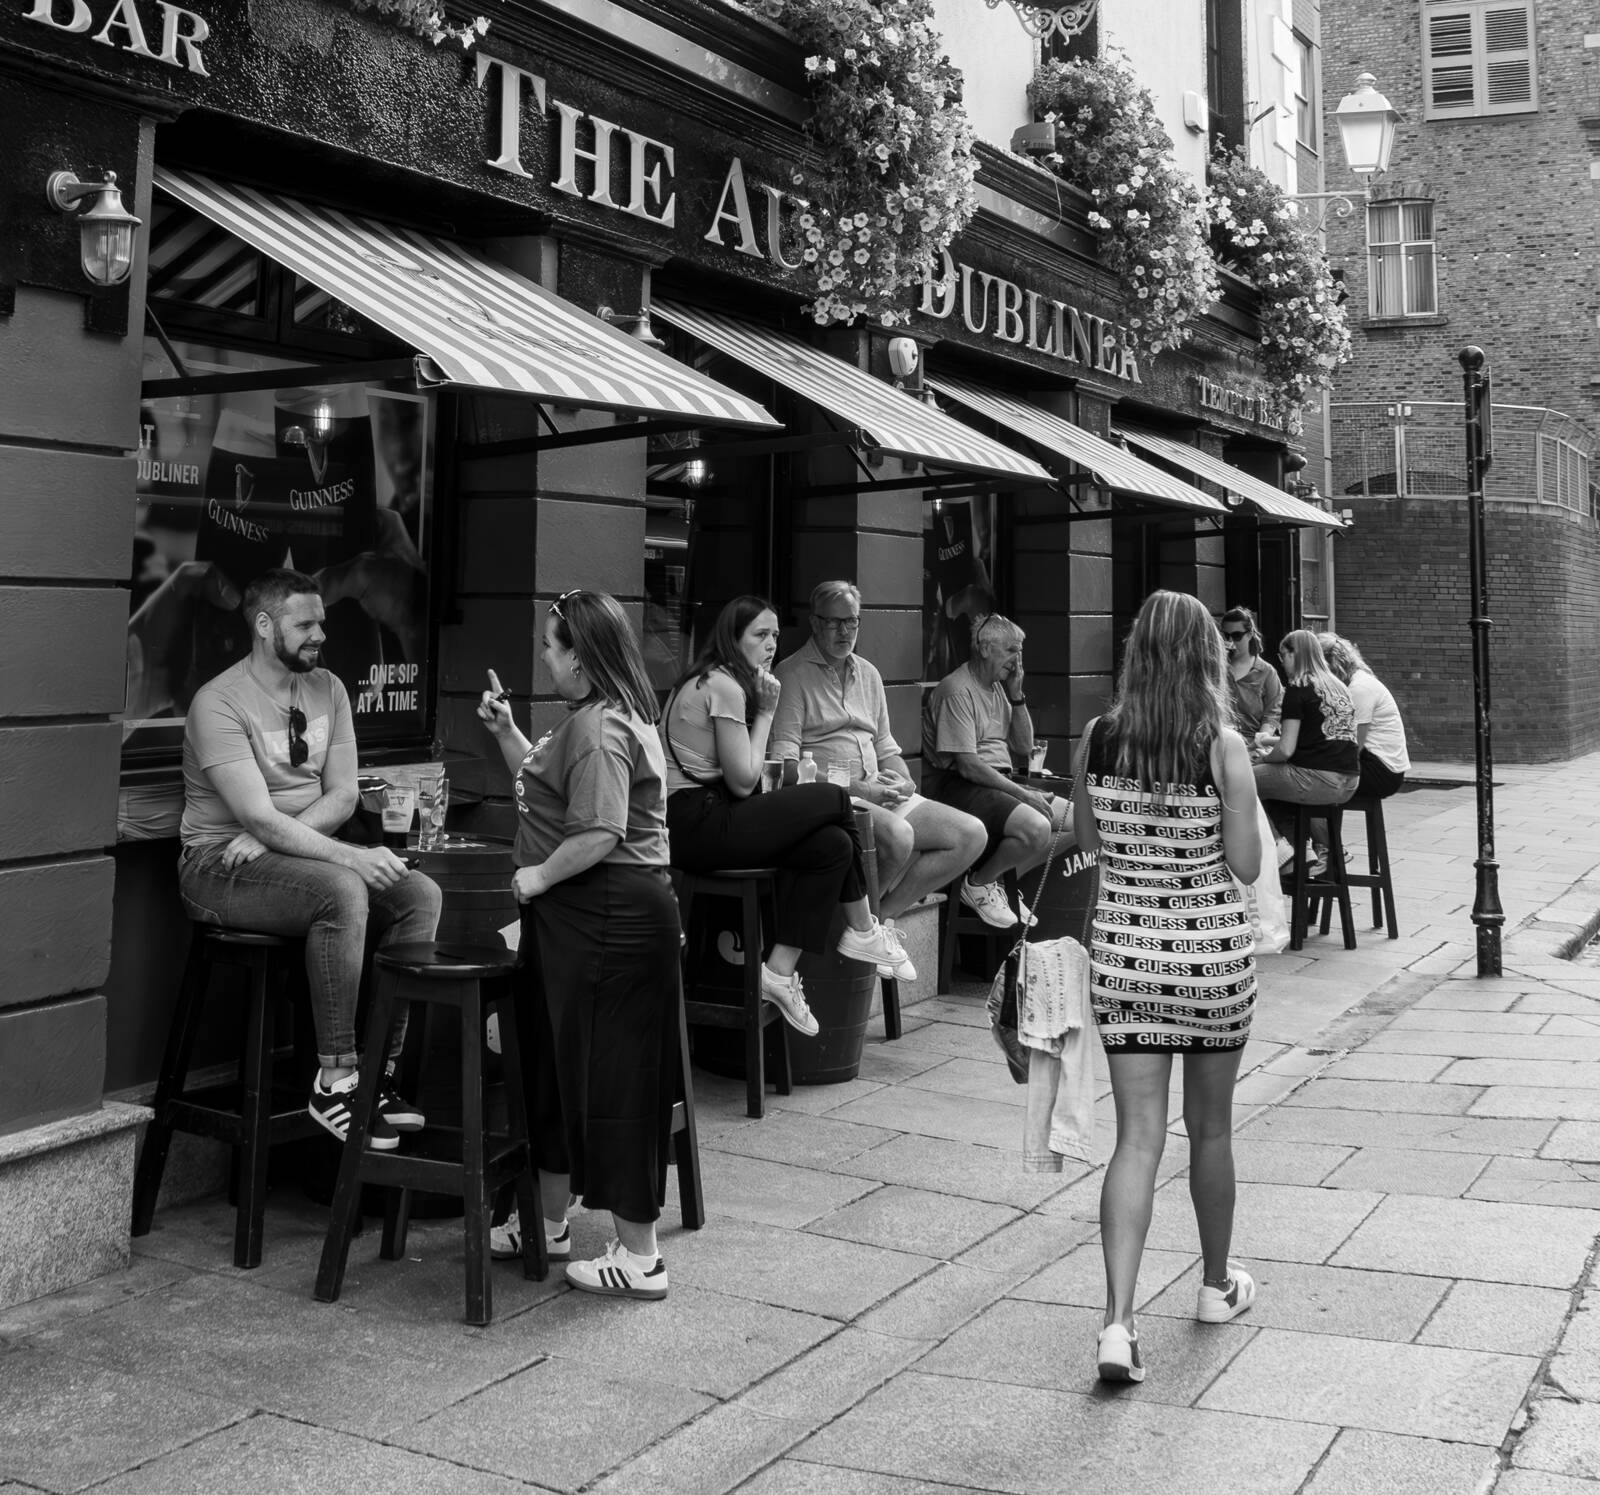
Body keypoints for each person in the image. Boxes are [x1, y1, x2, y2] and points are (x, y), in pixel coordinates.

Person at [1070, 590, 1263, 1387]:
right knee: (1209, 1130)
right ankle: (1216, 1285)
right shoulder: (1223, 746)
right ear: (1206, 656)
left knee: (1137, 1138)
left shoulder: (1098, 737)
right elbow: (1247, 864)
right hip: (1212, 965)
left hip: (1126, 961)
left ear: (1137, 654)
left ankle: (1118, 1323)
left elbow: (1087, 842)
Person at [177, 568, 441, 1150]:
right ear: (264, 625)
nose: (320, 633)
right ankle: (335, 1078)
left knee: (418, 895)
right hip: (217, 866)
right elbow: (256, 817)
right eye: (304, 624)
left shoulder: (329, 688)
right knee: (342, 891)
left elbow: (343, 795)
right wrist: (322, 849)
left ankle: (376, 1074)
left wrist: (278, 835)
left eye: (322, 621)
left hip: (286, 852)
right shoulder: (218, 702)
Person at [477, 590, 682, 1301]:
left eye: (550, 645)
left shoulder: (597, 727)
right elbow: (550, 798)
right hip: (590, 915)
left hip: (606, 915)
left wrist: (535, 877)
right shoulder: (595, 718)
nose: (543, 656)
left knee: (611, 1083)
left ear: (581, 658)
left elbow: (598, 831)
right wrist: (509, 733)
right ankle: (547, 1222)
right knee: (557, 1073)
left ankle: (640, 1257)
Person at [663, 594, 913, 1035]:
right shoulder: (722, 685)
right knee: (836, 800)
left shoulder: (724, 680)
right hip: (696, 822)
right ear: (732, 638)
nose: (771, 645)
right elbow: (744, 780)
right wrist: (766, 712)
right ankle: (862, 928)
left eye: (775, 635)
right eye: (760, 634)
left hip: (711, 815)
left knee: (832, 845)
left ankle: (778, 972)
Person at [770, 580, 987, 939]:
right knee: (900, 837)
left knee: (971, 835)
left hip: (877, 791)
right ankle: (864, 930)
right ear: (815, 623)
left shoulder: (868, 673)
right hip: (833, 798)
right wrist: (860, 790)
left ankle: (879, 922)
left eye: (851, 621)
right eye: (834, 622)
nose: (844, 631)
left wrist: (904, 781)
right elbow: (788, 767)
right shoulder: (791, 674)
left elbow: (886, 747)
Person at [921, 613, 1070, 930]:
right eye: (1011, 650)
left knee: (1081, 823)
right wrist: (1023, 794)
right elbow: (967, 765)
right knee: (1037, 828)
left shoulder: (1000, 687)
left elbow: (1024, 746)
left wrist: (1017, 695)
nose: (1018, 661)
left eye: (1020, 652)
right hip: (960, 785)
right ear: (985, 648)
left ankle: (1000, 882)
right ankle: (978, 884)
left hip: (999, 781)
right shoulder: (957, 689)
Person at [1253, 630, 1360, 869]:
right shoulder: (1339, 686)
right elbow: (1315, 738)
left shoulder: (1298, 687)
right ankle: (1305, 851)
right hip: (1350, 782)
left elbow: (1286, 750)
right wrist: (1269, 744)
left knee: (1241, 782)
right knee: (1273, 788)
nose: (1282, 663)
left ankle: (1281, 849)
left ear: (1295, 654)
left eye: (1283, 656)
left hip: (1317, 779)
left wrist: (1265, 759)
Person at [1311, 633, 1411, 874]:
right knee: (1307, 778)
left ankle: (1330, 851)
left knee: (1310, 785)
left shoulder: (1359, 688)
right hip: (1373, 763)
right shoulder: (1353, 684)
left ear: (1332, 665)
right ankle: (1326, 852)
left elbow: (1353, 747)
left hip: (1381, 771)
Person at [1220, 606, 1282, 743]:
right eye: (1226, 636)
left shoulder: (1267, 672)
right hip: (1219, 740)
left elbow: (1272, 714)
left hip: (1250, 741)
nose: (1231, 642)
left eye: (1237, 636)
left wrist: (1259, 741)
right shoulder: (1217, 667)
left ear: (1249, 634)